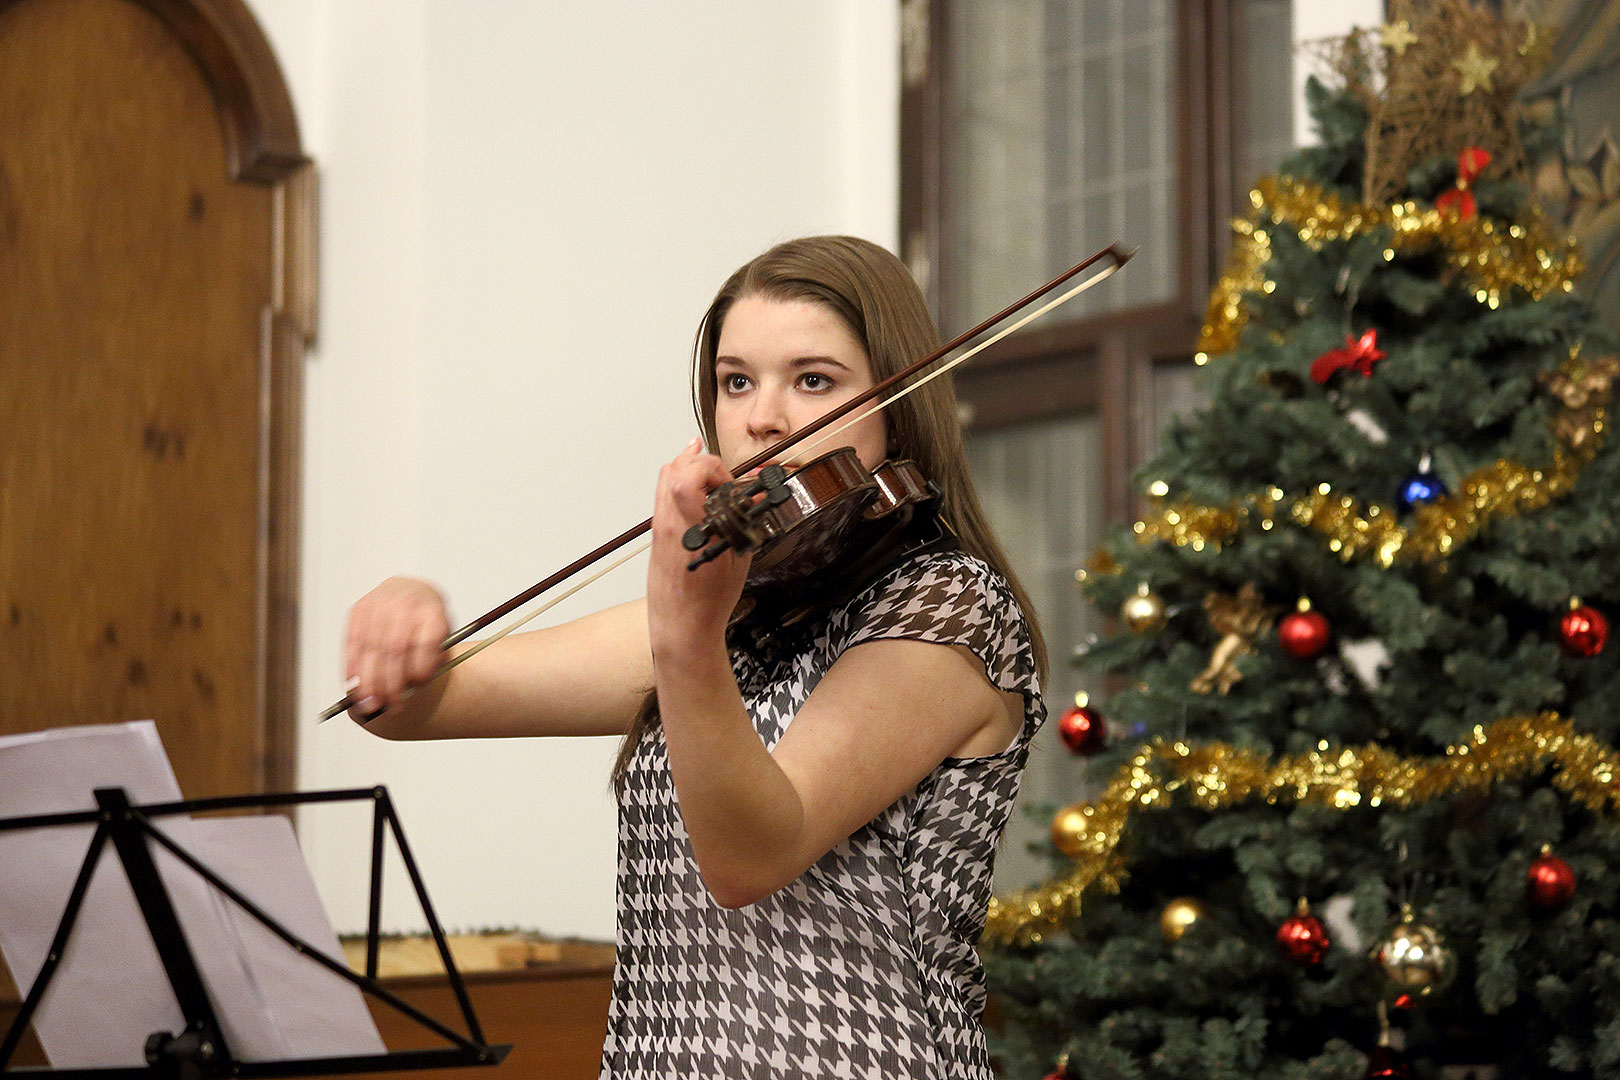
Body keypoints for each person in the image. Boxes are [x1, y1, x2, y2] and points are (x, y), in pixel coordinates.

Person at [343, 235, 1048, 1079]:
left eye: (814, 380)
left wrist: (683, 633)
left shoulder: (947, 608)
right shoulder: (744, 605)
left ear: (898, 402)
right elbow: (414, 707)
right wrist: (409, 615)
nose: (764, 417)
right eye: (737, 380)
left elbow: (751, 856)